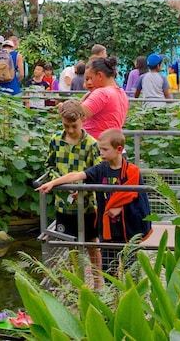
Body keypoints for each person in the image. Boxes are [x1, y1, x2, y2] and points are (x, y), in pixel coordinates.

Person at [35, 128, 150, 274]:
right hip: (108, 231)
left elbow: (138, 199)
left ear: (119, 149)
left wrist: (120, 206)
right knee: (109, 269)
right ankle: (113, 295)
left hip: (128, 229)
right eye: (100, 148)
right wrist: (52, 183)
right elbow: (76, 175)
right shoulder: (100, 169)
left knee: (131, 269)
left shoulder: (132, 171)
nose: (100, 152)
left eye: (104, 149)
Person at [44, 100, 101, 279]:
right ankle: (78, 281)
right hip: (63, 203)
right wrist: (56, 181)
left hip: (87, 205)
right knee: (70, 244)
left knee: (92, 243)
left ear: (83, 120)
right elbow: (50, 165)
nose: (69, 130)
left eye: (73, 126)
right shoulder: (55, 141)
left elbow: (97, 173)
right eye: (66, 126)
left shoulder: (92, 145)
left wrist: (84, 189)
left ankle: (98, 282)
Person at [80, 56, 129, 140]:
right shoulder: (121, 93)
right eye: (86, 79)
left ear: (99, 75)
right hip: (113, 145)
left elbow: (76, 114)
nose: (88, 83)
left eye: (89, 78)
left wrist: (63, 107)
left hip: (97, 146)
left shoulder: (102, 93)